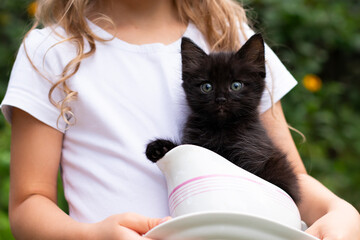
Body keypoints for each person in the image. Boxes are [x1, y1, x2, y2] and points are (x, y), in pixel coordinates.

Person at [1, 0, 359, 239]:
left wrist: (338, 210)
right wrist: (91, 236)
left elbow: (288, 176)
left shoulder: (229, 33)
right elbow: (28, 203)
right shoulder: (51, 51)